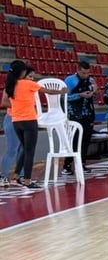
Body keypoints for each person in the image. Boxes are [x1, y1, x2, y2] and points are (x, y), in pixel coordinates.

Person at [5, 60, 66, 189]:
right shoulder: (28, 83)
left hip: (16, 121)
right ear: (22, 72)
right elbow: (48, 91)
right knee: (29, 151)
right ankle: (27, 180)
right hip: (29, 120)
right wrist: (62, 91)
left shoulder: (10, 85)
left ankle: (16, 175)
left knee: (24, 147)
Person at [64, 59, 96, 174]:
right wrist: (80, 95)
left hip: (88, 113)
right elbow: (65, 97)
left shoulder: (91, 80)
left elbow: (94, 92)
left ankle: (82, 164)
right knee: (74, 140)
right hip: (74, 114)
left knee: (86, 139)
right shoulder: (70, 80)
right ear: (78, 70)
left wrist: (93, 92)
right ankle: (67, 165)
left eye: (88, 73)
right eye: (83, 73)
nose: (86, 75)